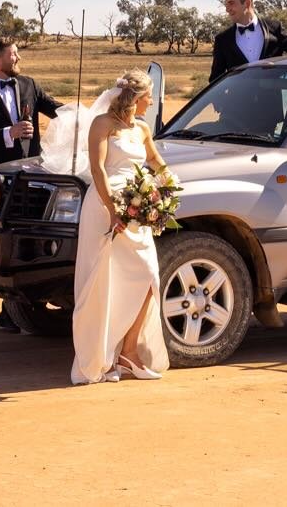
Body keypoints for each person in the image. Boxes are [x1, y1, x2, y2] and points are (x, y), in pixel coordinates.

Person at [71, 69, 174, 383]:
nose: (153, 103)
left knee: (147, 276)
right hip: (106, 207)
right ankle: (102, 360)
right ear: (138, 98)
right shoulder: (103, 124)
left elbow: (156, 162)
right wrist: (113, 209)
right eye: (150, 98)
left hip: (138, 207)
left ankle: (128, 353)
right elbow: (98, 169)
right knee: (103, 282)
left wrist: (169, 189)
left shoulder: (142, 128)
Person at [0, 34, 62, 332]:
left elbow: (57, 109)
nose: (17, 58)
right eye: (13, 54)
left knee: (21, 241)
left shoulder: (29, 84)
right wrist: (9, 133)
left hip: (32, 179)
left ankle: (12, 310)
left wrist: (96, 114)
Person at [208, 0, 287, 83]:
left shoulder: (275, 28)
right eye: (226, 4)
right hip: (238, 98)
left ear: (247, 3)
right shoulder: (222, 40)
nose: (227, 9)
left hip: (272, 98)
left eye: (231, 3)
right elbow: (215, 79)